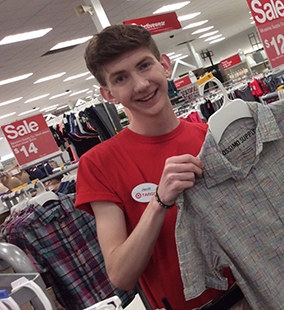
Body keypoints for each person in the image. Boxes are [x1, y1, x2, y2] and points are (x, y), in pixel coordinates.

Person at [75, 24, 248, 310]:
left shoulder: (212, 137)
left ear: (164, 65)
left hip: (252, 294)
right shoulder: (98, 165)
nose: (141, 84)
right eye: (121, 78)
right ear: (109, 95)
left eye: (144, 65)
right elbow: (121, 274)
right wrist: (159, 201)